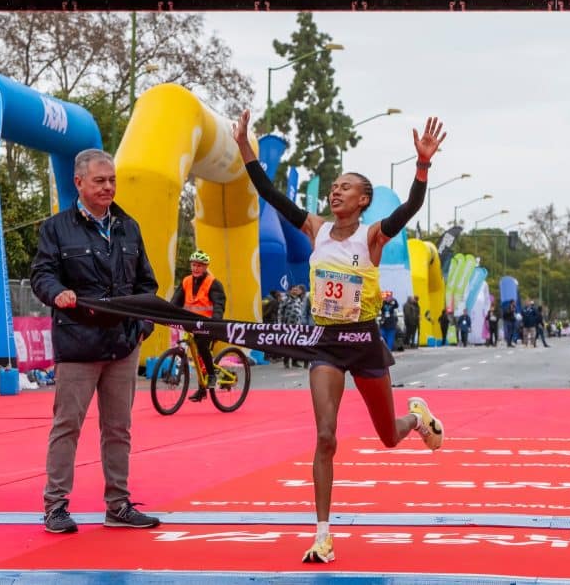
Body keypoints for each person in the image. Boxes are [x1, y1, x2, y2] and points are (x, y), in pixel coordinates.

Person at [234, 109, 446, 565]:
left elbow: (409, 208)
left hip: (364, 344)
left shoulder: (373, 237)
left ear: (363, 199)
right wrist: (245, 148)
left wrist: (422, 165)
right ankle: (323, 536)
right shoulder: (316, 229)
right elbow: (269, 193)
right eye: (333, 186)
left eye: (345, 187)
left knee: (388, 436)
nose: (335, 191)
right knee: (326, 436)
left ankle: (417, 419)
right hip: (327, 344)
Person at [30, 149, 160, 534]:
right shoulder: (55, 229)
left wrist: (141, 327)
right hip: (77, 345)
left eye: (112, 180)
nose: (108, 187)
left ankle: (118, 505)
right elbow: (41, 275)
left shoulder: (129, 227)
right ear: (79, 183)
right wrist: (56, 293)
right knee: (67, 426)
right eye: (100, 180)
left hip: (123, 345)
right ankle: (55, 506)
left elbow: (146, 284)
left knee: (119, 429)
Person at [171, 249, 227, 397]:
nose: (196, 268)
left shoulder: (213, 283)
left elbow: (218, 306)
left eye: (200, 265)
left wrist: (215, 323)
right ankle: (202, 389)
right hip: (190, 323)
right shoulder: (186, 281)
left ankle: (212, 375)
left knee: (201, 346)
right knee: (193, 353)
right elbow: (175, 302)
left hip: (207, 325)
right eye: (194, 265)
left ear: (206, 267)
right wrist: (168, 314)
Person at [278, 284, 307, 367]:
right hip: (287, 325)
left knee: (296, 344)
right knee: (287, 344)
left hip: (297, 326)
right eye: (294, 290)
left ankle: (295, 362)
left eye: (296, 290)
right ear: (290, 290)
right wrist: (280, 324)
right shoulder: (285, 299)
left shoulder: (298, 299)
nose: (295, 291)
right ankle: (286, 362)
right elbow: (280, 311)